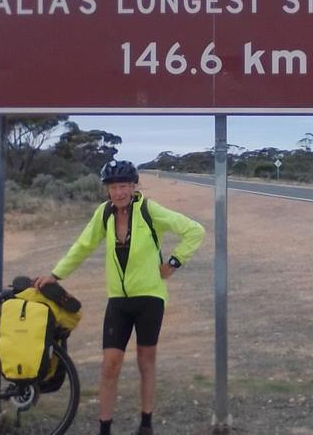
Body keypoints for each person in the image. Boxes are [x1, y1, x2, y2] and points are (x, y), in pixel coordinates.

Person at [34, 160, 205, 435]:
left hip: (150, 298)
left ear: (133, 185)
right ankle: (104, 427)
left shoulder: (150, 210)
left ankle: (146, 422)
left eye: (123, 186)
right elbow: (82, 245)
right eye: (113, 187)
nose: (118, 192)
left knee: (145, 360)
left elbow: (194, 230)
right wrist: (56, 275)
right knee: (110, 364)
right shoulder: (104, 214)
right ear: (107, 190)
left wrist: (173, 263)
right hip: (118, 301)